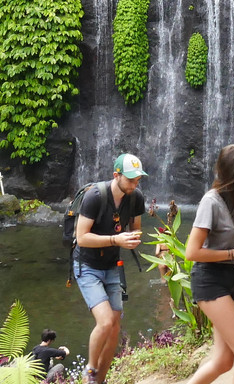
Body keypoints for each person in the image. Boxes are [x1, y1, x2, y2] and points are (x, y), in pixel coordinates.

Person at [182, 145, 234, 384]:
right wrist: (233, 256)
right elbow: (192, 252)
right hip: (210, 282)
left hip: (230, 281)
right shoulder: (211, 201)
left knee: (224, 361)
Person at [73, 152, 147, 384]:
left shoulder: (136, 197)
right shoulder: (94, 196)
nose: (135, 184)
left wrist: (133, 238)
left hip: (112, 265)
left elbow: (135, 230)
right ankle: (90, 370)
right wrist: (116, 240)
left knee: (114, 326)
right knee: (105, 321)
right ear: (116, 175)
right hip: (87, 265)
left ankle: (100, 380)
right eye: (131, 179)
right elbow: (82, 237)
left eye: (138, 179)